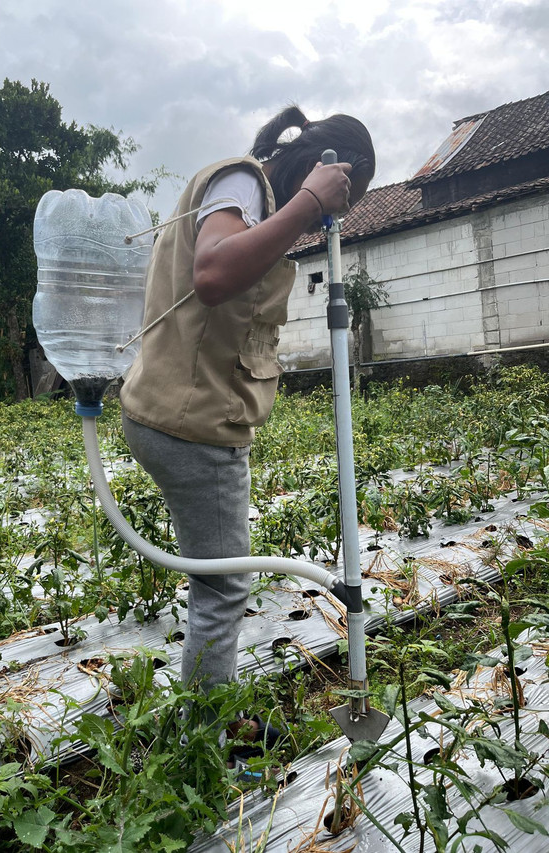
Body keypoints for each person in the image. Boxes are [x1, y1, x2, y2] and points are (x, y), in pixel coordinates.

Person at [120, 104, 374, 751]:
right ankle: (202, 745)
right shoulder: (243, 186)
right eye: (334, 202)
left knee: (217, 580)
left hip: (179, 413)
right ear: (320, 170)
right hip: (193, 425)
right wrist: (307, 204)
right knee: (223, 588)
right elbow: (212, 274)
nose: (324, 220)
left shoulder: (249, 196)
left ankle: (207, 718)